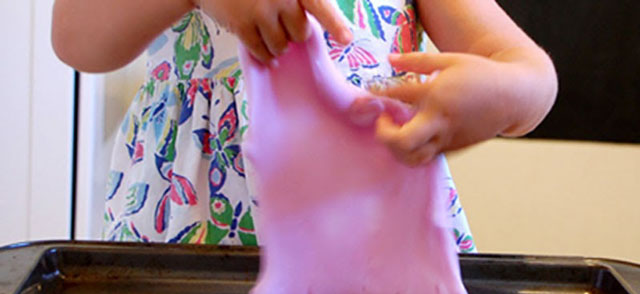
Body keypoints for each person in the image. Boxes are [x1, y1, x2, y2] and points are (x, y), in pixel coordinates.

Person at [51, 0, 557, 250]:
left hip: (372, 244)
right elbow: (76, 38)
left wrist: (498, 93)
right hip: (185, 242)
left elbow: (527, 72)